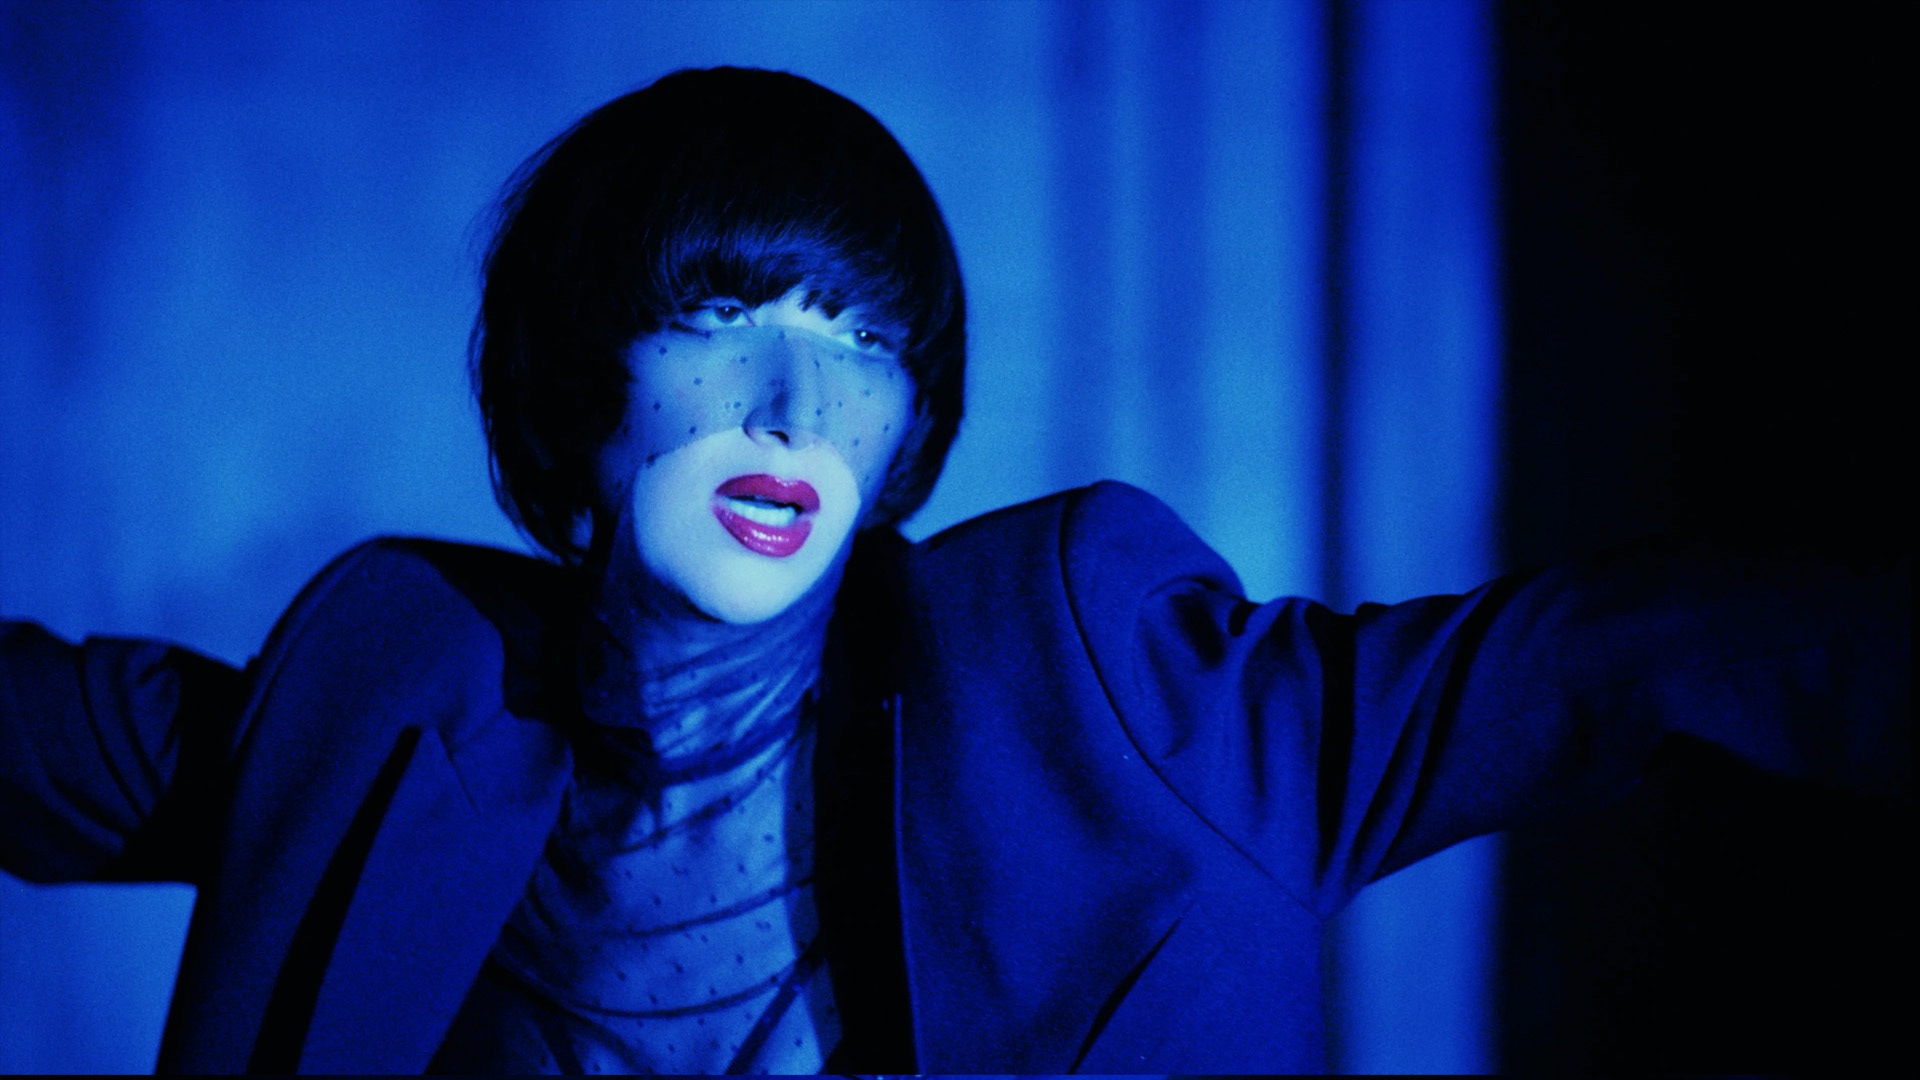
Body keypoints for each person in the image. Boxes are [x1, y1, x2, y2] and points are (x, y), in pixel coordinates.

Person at [0, 66, 1907, 1074]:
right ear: (583, 386)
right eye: (724, 313)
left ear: (912, 420)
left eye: (863, 340)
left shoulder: (1104, 694)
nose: (795, 404)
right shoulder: (388, 685)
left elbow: (1607, 657)